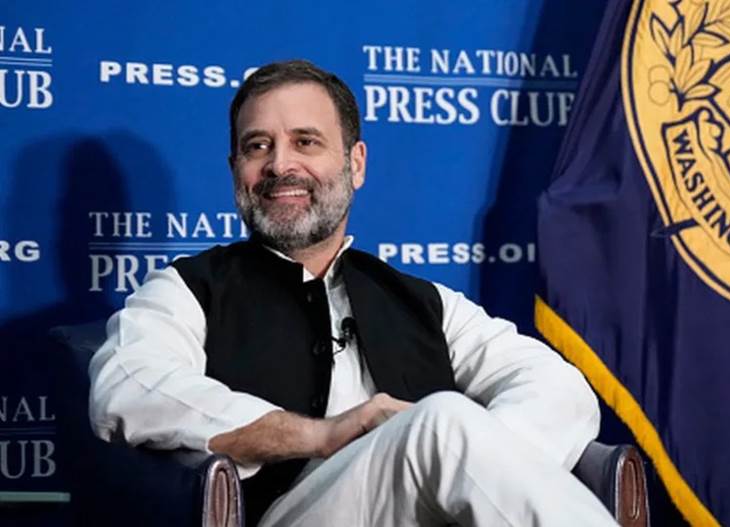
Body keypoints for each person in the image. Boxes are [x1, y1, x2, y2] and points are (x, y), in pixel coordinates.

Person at [88, 60, 618, 527]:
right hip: (294, 513)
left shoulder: (423, 300)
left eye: (306, 141)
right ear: (236, 172)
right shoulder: (189, 288)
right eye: (257, 147)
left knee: (453, 430)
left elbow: (556, 386)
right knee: (442, 422)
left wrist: (480, 465)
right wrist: (319, 435)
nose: (279, 165)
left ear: (356, 164)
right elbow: (130, 387)